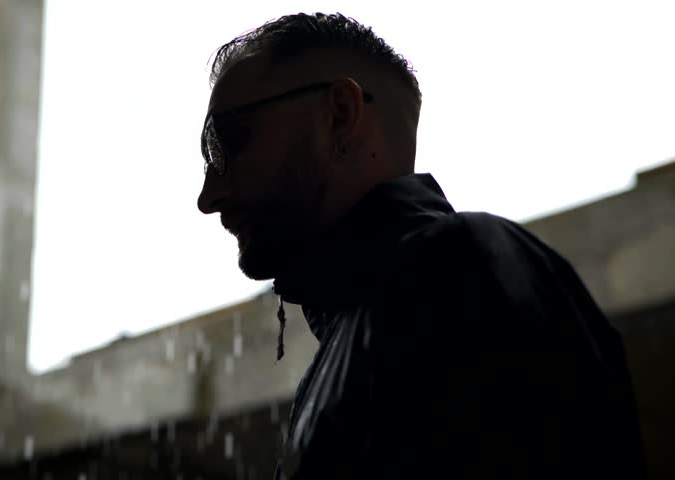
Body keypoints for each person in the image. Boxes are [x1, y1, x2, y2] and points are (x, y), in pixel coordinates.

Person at [196, 12, 645, 479]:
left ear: (340, 114)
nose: (209, 197)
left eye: (226, 143)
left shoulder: (454, 271)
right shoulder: (412, 298)